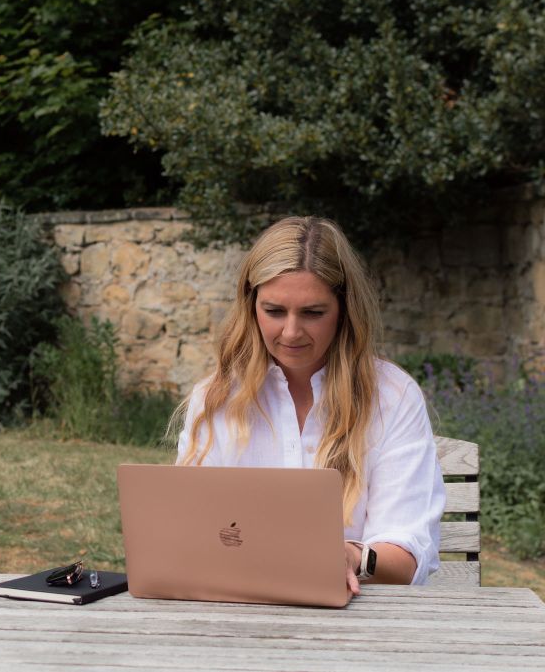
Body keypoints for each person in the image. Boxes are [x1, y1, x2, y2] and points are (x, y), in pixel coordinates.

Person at [175, 216, 446, 594]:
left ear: (344, 310)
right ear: (251, 306)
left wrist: (352, 556)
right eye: (273, 311)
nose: (290, 332)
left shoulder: (392, 397)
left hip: (365, 620)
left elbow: (406, 558)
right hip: (241, 613)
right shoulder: (217, 398)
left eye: (313, 313)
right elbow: (188, 536)